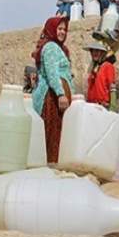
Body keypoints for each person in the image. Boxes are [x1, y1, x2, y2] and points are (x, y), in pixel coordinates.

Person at [32, 16, 74, 164]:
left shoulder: (60, 48)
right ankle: (49, 167)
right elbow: (52, 73)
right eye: (59, 28)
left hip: (57, 98)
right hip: (51, 98)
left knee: (57, 135)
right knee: (52, 135)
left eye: (64, 29)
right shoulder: (50, 48)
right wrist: (61, 93)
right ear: (52, 29)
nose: (62, 32)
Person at [84, 42, 117, 110]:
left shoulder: (108, 66)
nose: (94, 53)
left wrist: (112, 108)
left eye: (97, 51)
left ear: (102, 53)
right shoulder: (95, 68)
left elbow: (112, 88)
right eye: (92, 51)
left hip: (102, 107)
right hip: (90, 106)